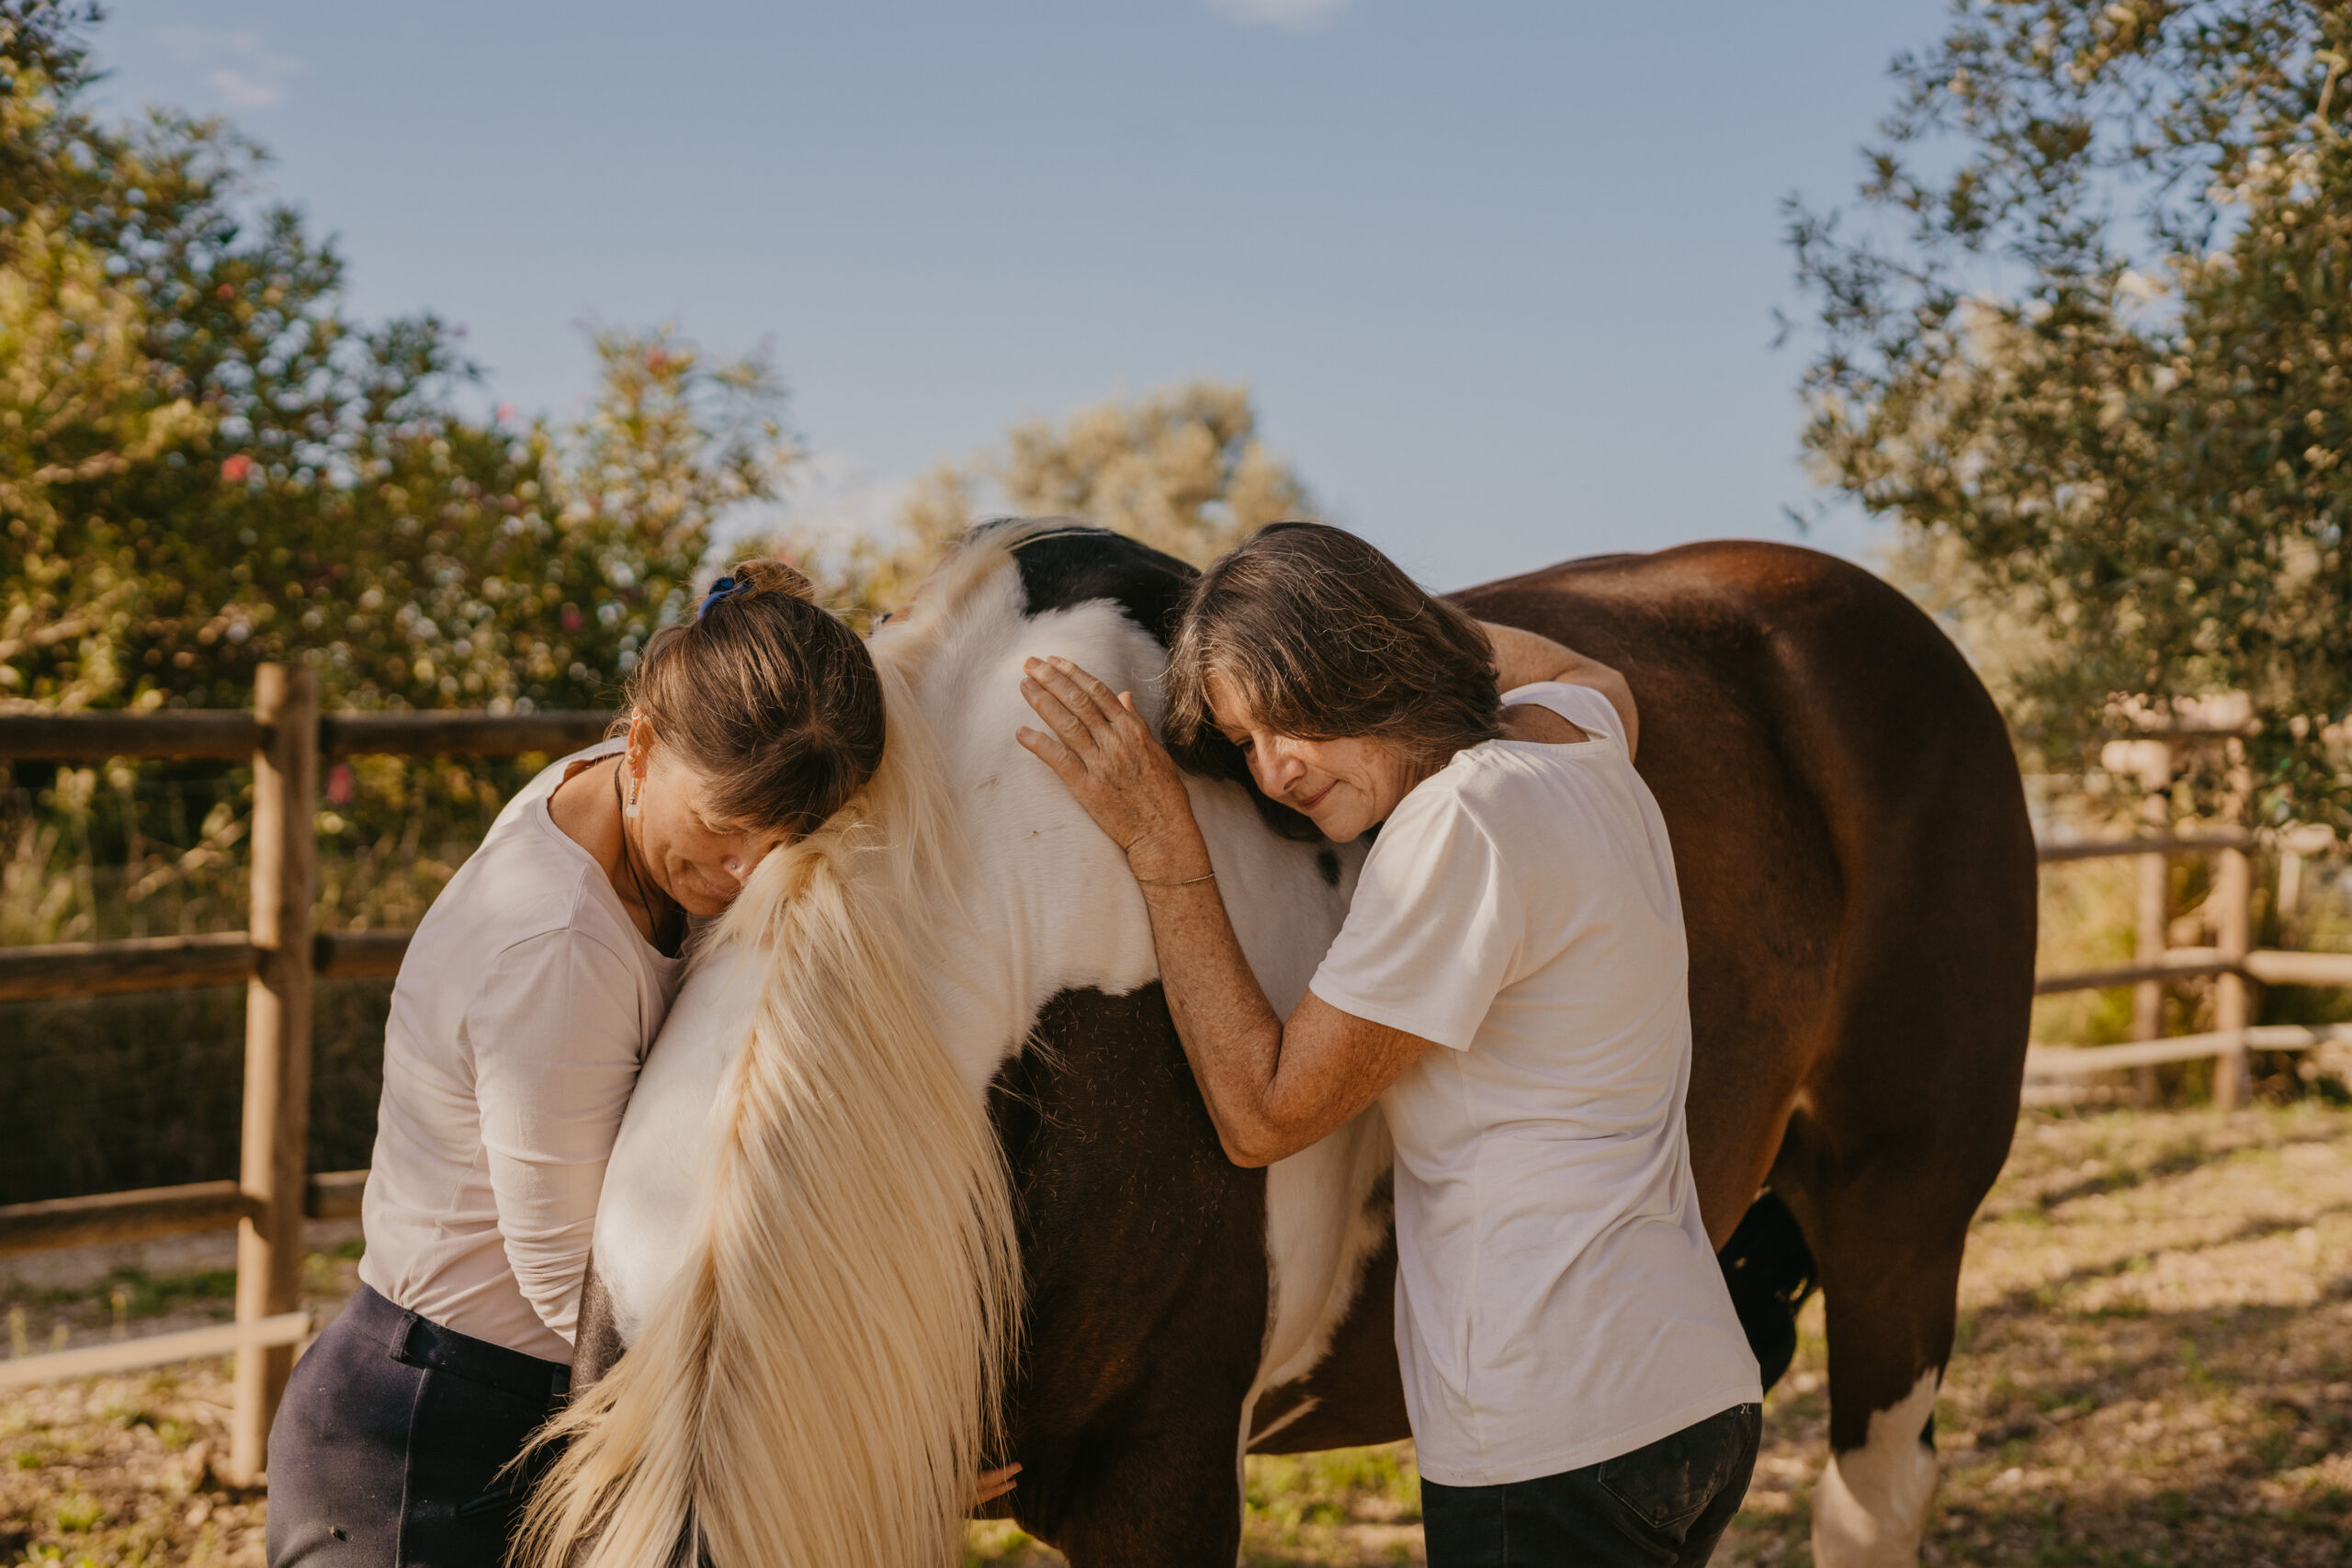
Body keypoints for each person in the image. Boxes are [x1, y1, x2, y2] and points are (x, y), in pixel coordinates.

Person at [1015, 524, 1760, 1568]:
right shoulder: (1576, 741)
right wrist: (1380, 626)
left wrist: (1164, 848)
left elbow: (1264, 1115)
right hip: (1688, 1399)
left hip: (1553, 1429)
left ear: (1362, 658)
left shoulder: (1462, 824)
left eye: (1287, 722)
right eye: (1241, 744)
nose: (1272, 774)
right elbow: (1588, 667)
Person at [264, 560, 1016, 1566]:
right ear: (647, 746)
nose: (743, 871)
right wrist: (854, 1441)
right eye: (720, 828)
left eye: (779, 839)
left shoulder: (619, 784)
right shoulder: (557, 948)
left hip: (532, 1406)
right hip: (427, 1444)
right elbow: (573, 1284)